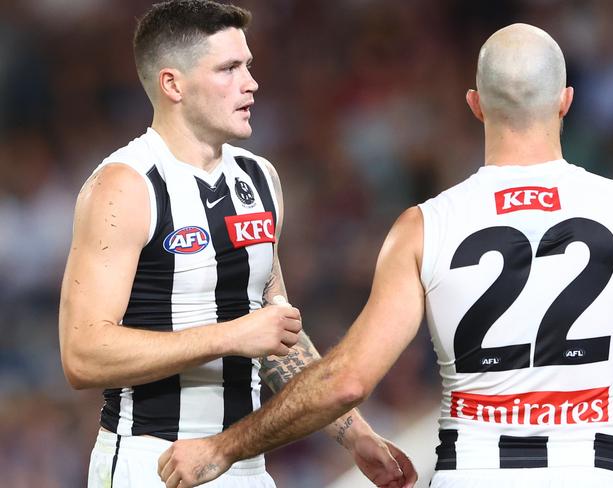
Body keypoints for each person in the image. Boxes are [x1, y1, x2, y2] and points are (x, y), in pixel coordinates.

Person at [157, 22, 613, 488]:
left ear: (475, 105)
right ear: (565, 102)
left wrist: (223, 447)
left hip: (472, 473)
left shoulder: (425, 226)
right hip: (590, 471)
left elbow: (347, 382)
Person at [58, 1, 416, 487]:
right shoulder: (125, 186)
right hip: (153, 461)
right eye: (229, 68)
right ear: (172, 85)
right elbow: (83, 354)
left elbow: (275, 336)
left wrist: (353, 433)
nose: (251, 83)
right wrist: (231, 335)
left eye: (247, 65)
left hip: (240, 459)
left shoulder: (260, 178)